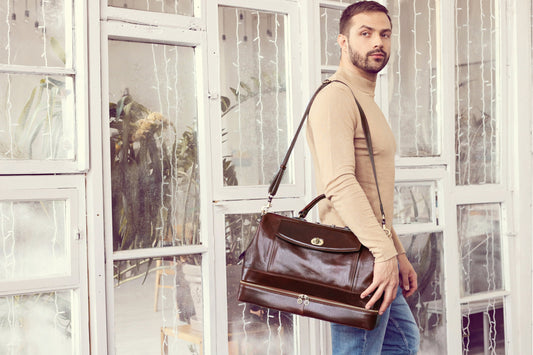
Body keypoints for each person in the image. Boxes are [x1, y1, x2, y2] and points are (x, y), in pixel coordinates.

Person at [306, 1, 420, 354]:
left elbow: (373, 193)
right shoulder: (336, 97)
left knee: (402, 342)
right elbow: (339, 183)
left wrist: (397, 253)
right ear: (343, 41)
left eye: (385, 34)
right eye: (365, 33)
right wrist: (384, 253)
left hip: (375, 251)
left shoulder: (364, 99)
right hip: (357, 257)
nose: (378, 43)